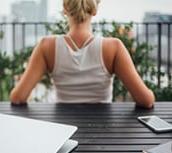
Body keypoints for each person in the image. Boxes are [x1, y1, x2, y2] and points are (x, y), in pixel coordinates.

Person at [10, 0, 155, 108]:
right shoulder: (114, 47)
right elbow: (146, 100)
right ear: (94, 11)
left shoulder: (46, 46)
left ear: (65, 9)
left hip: (64, 132)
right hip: (102, 134)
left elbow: (18, 97)